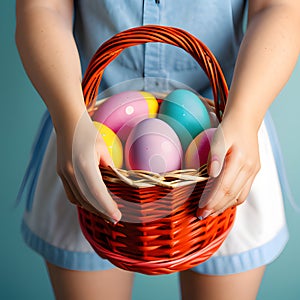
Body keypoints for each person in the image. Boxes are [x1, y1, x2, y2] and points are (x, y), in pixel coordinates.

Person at [15, 0, 300, 299]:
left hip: (227, 135)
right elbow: (44, 7)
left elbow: (276, 7)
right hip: (87, 137)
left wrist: (245, 115)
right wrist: (70, 118)